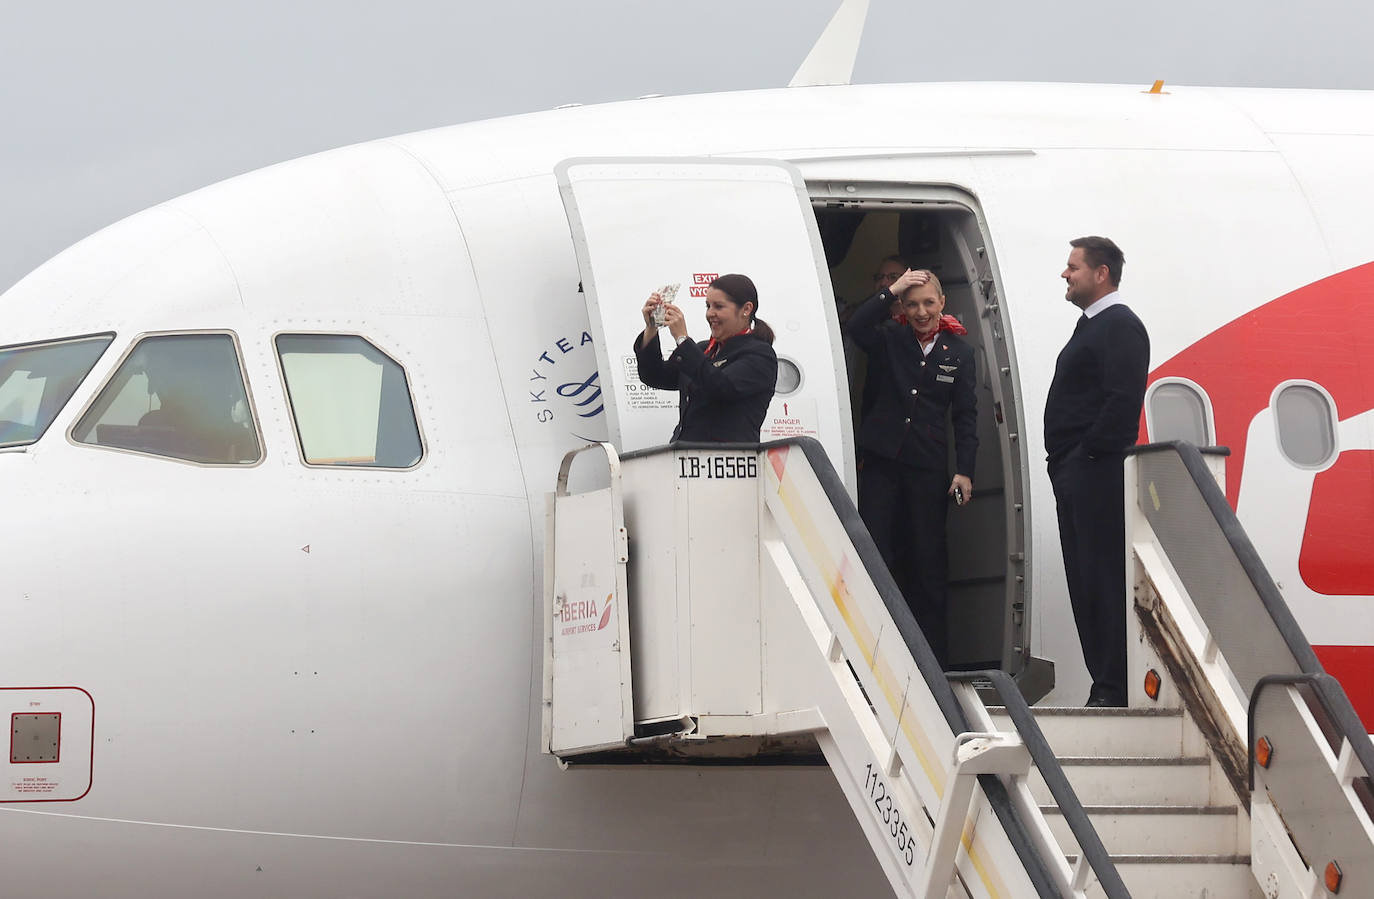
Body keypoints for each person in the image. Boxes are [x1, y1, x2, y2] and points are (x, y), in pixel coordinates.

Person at [847, 268, 977, 667]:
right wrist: (893, 289)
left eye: (929, 303)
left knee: (928, 560)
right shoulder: (889, 338)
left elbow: (966, 416)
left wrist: (965, 469)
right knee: (877, 553)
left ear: (942, 303)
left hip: (927, 467)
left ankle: (934, 662)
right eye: (912, 304)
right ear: (902, 306)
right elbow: (856, 325)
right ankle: (876, 651)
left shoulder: (959, 352)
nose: (921, 312)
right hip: (883, 464)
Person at [1045, 236, 1150, 708]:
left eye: (1073, 267)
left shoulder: (1120, 326)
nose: (1065, 274)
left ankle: (1113, 686)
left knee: (1101, 579)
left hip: (1095, 473)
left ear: (1101, 273)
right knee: (1084, 582)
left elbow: (1122, 402)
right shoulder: (1090, 325)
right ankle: (1104, 683)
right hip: (1076, 471)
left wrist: (1086, 456)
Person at [634, 273, 778, 443]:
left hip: (727, 456)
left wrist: (682, 339)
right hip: (685, 454)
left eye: (719, 306)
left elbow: (720, 387)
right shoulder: (703, 350)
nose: (710, 313)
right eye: (708, 306)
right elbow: (654, 376)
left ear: (746, 309)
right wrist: (651, 327)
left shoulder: (760, 354)